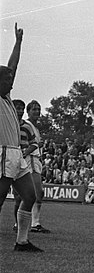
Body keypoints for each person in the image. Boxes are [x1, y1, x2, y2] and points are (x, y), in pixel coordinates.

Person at [0, 24, 40, 252]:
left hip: (16, 155)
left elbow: (12, 67)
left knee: (30, 195)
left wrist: (18, 42)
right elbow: (9, 68)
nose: (11, 81)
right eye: (6, 79)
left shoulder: (5, 96)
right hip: (4, 153)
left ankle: (22, 241)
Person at [13, 99, 49, 233]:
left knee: (30, 194)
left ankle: (30, 223)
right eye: (33, 109)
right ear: (28, 112)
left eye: (38, 109)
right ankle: (33, 223)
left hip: (35, 160)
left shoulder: (34, 127)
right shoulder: (26, 124)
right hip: (29, 160)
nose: (37, 112)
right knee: (34, 193)